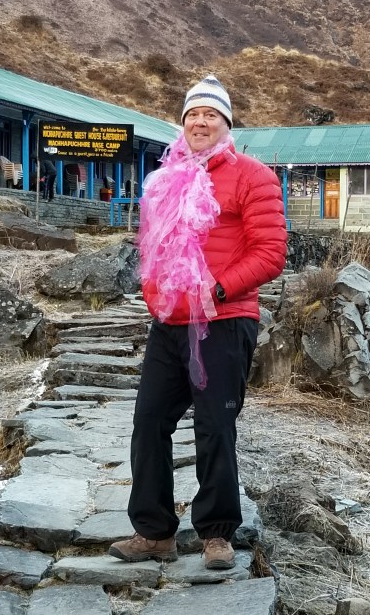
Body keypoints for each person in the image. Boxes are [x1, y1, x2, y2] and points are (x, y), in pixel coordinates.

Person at [109, 75, 288, 569]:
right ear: (183, 123)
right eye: (193, 115)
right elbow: (152, 247)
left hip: (224, 318)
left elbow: (271, 251)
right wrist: (153, 295)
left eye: (211, 114)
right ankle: (154, 531)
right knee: (149, 420)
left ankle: (216, 533)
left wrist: (218, 290)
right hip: (170, 321)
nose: (200, 122)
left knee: (214, 425)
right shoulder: (166, 178)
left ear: (226, 123)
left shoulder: (253, 176)